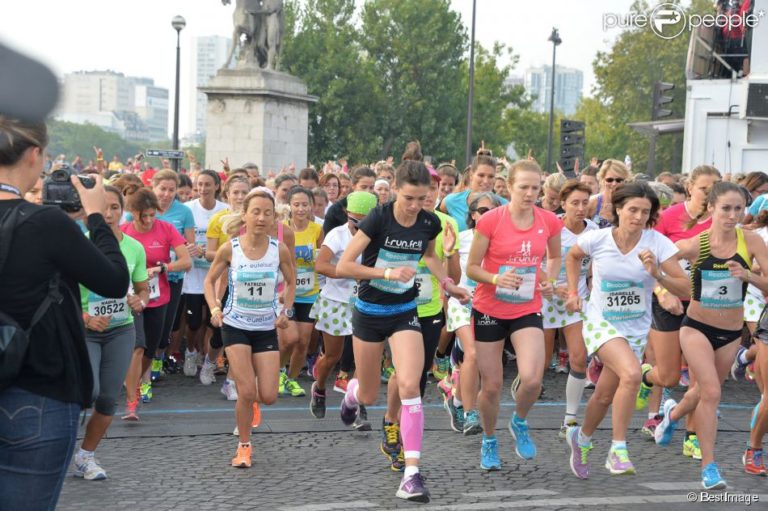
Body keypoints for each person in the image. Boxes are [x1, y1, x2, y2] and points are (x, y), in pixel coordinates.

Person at [0, 117, 129, 509]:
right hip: (38, 388)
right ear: (36, 154)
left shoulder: (47, 223)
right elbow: (113, 281)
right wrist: (94, 217)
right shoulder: (47, 224)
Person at [336, 159, 470, 502]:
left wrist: (447, 282)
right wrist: (386, 274)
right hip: (369, 312)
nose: (415, 206)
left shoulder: (429, 222)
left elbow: (429, 255)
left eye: (423, 198)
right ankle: (351, 394)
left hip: (404, 312)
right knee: (368, 395)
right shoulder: (379, 217)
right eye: (409, 198)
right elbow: (344, 265)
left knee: (411, 383)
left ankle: (411, 474)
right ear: (395, 189)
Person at [564, 182, 689, 479]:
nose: (638, 216)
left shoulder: (657, 243)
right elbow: (572, 256)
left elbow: (685, 285)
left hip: (634, 327)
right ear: (618, 209)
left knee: (605, 395)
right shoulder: (597, 238)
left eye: (645, 212)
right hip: (599, 322)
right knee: (633, 374)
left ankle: (581, 438)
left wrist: (656, 274)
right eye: (632, 209)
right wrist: (573, 291)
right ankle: (618, 450)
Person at [653, 182, 768, 489]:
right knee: (712, 393)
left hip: (730, 333)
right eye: (726, 209)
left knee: (700, 392)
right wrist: (663, 286)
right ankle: (709, 468)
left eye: (738, 209)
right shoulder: (696, 244)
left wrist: (748, 276)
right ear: (712, 209)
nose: (732, 215)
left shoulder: (752, 241)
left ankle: (672, 415)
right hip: (696, 328)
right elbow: (666, 267)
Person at [466, 159, 562, 471]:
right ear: (509, 187)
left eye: (536, 188)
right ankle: (489, 440)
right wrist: (496, 279)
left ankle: (519, 421)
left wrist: (548, 278)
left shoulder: (548, 221)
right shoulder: (491, 220)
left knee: (533, 378)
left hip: (526, 306)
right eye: (524, 187)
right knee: (491, 385)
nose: (530, 193)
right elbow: (471, 268)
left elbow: (556, 255)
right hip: (489, 308)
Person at [205, 188, 296, 468]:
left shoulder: (277, 249)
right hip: (235, 326)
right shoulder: (229, 248)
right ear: (244, 214)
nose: (261, 217)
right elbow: (209, 281)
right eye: (255, 211)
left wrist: (286, 311)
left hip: (266, 327)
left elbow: (291, 282)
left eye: (267, 213)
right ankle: (244, 446)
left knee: (268, 395)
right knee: (245, 391)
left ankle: (252, 403)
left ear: (274, 218)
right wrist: (215, 308)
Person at [379, 166, 462, 471]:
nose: (424, 200)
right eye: (418, 195)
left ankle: (400, 430)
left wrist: (450, 253)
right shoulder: (393, 219)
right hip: (399, 307)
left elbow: (453, 276)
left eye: (430, 194)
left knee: (416, 379)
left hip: (428, 309)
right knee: (405, 375)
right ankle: (392, 424)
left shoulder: (446, 223)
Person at [638, 165, 720, 446]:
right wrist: (662, 291)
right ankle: (647, 376)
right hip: (669, 301)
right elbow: (647, 258)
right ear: (689, 188)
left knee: (700, 376)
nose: (711, 194)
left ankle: (692, 436)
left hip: (705, 304)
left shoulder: (722, 221)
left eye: (716, 189)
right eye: (705, 189)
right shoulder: (670, 217)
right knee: (670, 374)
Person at [74, 186, 150, 480]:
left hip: (121, 330)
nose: (108, 214)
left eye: (114, 208)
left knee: (107, 399)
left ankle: (85, 456)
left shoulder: (134, 247)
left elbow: (143, 289)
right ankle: (59, 444)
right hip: (85, 330)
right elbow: (59, 290)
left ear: (123, 211)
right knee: (86, 391)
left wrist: (139, 301)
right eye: (102, 207)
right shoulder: (77, 243)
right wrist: (84, 318)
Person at [120, 189, 192, 418]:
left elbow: (186, 261)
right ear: (133, 213)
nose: (150, 220)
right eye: (144, 216)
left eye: (153, 215)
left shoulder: (166, 228)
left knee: (152, 346)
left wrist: (162, 268)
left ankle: (137, 380)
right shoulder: (124, 233)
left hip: (158, 297)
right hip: (132, 299)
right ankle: (132, 399)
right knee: (137, 345)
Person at [310, 191, 378, 418]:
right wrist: (349, 272)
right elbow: (320, 266)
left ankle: (359, 402)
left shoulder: (377, 237)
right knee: (332, 356)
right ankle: (319, 388)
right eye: (353, 220)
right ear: (346, 214)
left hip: (365, 302)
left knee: (364, 357)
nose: (357, 226)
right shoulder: (336, 235)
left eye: (363, 221)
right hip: (336, 302)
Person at [442, 192, 502, 436]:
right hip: (463, 301)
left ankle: (455, 398)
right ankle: (470, 414)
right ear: (474, 215)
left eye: (494, 211)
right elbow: (453, 279)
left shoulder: (504, 240)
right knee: (474, 354)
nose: (489, 216)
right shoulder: (463, 238)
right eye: (483, 211)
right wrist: (448, 252)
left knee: (482, 361)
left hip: (493, 305)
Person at [541, 181, 598, 436]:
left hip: (576, 299)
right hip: (545, 297)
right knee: (539, 365)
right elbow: (533, 261)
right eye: (575, 203)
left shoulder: (594, 230)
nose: (581, 208)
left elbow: (595, 266)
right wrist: (551, 285)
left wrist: (593, 286)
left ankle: (570, 418)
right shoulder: (550, 226)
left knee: (578, 357)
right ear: (563, 204)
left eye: (585, 202)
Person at [182, 170, 228, 385]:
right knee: (193, 322)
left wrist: (208, 252)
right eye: (199, 184)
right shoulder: (188, 209)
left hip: (217, 273)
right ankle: (191, 352)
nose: (203, 188)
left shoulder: (225, 211)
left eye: (208, 184)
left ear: (217, 186)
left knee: (214, 321)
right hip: (193, 274)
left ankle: (210, 360)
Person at [281, 186, 323, 397]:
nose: (300, 209)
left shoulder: (316, 230)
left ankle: (291, 379)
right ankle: (278, 372)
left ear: (311, 206)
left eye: (305, 204)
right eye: (296, 204)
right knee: (289, 339)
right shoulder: (282, 229)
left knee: (304, 341)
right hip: (287, 292)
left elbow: (323, 259)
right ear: (289, 206)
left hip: (309, 292)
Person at [440, 152, 508, 231]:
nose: (486, 181)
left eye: (491, 176)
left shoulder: (505, 206)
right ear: (471, 175)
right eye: (481, 175)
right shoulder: (451, 201)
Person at [323, 166, 377, 234]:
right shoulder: (336, 210)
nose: (368, 191)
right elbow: (327, 238)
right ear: (353, 186)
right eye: (364, 187)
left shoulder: (378, 209)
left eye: (371, 188)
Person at [587, 159, 632, 229]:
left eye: (619, 180)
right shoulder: (591, 203)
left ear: (625, 181)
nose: (614, 184)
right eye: (609, 180)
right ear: (602, 180)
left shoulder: (631, 204)